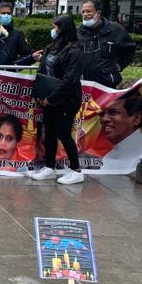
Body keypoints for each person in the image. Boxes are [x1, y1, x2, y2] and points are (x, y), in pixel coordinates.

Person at [31, 14, 85, 185]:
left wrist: (52, 98)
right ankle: (49, 166)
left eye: (55, 28)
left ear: (63, 29)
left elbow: (69, 81)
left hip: (66, 100)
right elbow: (42, 71)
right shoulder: (51, 48)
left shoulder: (74, 52)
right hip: (47, 98)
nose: (53, 31)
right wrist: (41, 95)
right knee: (50, 133)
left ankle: (76, 170)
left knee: (63, 133)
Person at [77, 0, 135, 88]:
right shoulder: (78, 32)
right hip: (84, 84)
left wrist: (120, 65)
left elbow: (129, 50)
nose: (85, 14)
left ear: (98, 13)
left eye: (88, 11)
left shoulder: (115, 30)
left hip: (106, 84)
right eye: (83, 12)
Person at [100, 90, 142, 165]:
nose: (104, 119)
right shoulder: (108, 157)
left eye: (113, 112)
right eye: (101, 114)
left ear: (136, 118)